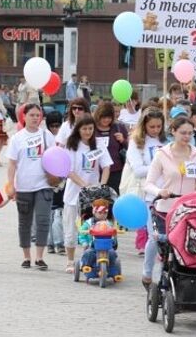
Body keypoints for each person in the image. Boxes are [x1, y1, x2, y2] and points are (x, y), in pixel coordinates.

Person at [142, 117, 196, 289]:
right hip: (165, 209)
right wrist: (159, 192)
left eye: (190, 133)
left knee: (184, 248)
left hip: (188, 211)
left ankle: (179, 280)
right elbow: (148, 183)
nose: (186, 137)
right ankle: (147, 274)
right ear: (173, 132)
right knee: (159, 243)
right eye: (183, 133)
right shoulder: (162, 154)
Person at [5, 104, 55, 271]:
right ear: (24, 116)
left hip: (44, 185)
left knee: (42, 220)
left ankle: (39, 257)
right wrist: (11, 184)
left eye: (38, 115)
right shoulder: (17, 138)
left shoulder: (47, 136)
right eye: (32, 115)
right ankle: (26, 257)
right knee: (24, 222)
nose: (35, 118)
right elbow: (12, 163)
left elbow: (56, 158)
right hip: (24, 186)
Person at [62, 116, 113, 273]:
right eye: (84, 129)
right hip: (74, 194)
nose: (88, 132)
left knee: (94, 227)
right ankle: (70, 260)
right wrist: (84, 185)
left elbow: (106, 166)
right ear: (78, 129)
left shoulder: (98, 144)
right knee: (71, 230)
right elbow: (68, 171)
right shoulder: (72, 146)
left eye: (90, 128)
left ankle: (92, 258)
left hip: (93, 196)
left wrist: (101, 185)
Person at [125, 107, 167, 256]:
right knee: (154, 236)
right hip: (150, 195)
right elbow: (138, 170)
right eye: (152, 127)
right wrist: (160, 167)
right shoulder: (136, 143)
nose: (156, 130)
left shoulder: (166, 140)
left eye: (159, 126)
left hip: (169, 194)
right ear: (144, 126)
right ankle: (148, 272)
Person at [78, 199, 121, 277]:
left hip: (107, 247)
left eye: (105, 213)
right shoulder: (89, 223)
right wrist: (84, 241)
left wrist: (115, 236)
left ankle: (112, 268)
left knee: (112, 253)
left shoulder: (109, 224)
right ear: (94, 212)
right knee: (88, 253)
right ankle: (86, 266)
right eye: (100, 213)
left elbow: (114, 233)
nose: (103, 215)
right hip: (93, 246)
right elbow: (81, 233)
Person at [93, 102, 128, 194]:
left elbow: (130, 148)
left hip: (116, 171)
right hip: (97, 172)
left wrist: (123, 140)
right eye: (104, 117)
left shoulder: (118, 128)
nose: (106, 120)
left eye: (109, 117)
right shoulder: (92, 129)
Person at [44, 111, 66, 254]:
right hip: (49, 178)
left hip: (61, 178)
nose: (55, 129)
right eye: (52, 126)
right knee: (54, 212)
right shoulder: (46, 138)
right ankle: (55, 243)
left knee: (55, 212)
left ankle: (53, 243)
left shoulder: (63, 137)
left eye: (57, 125)